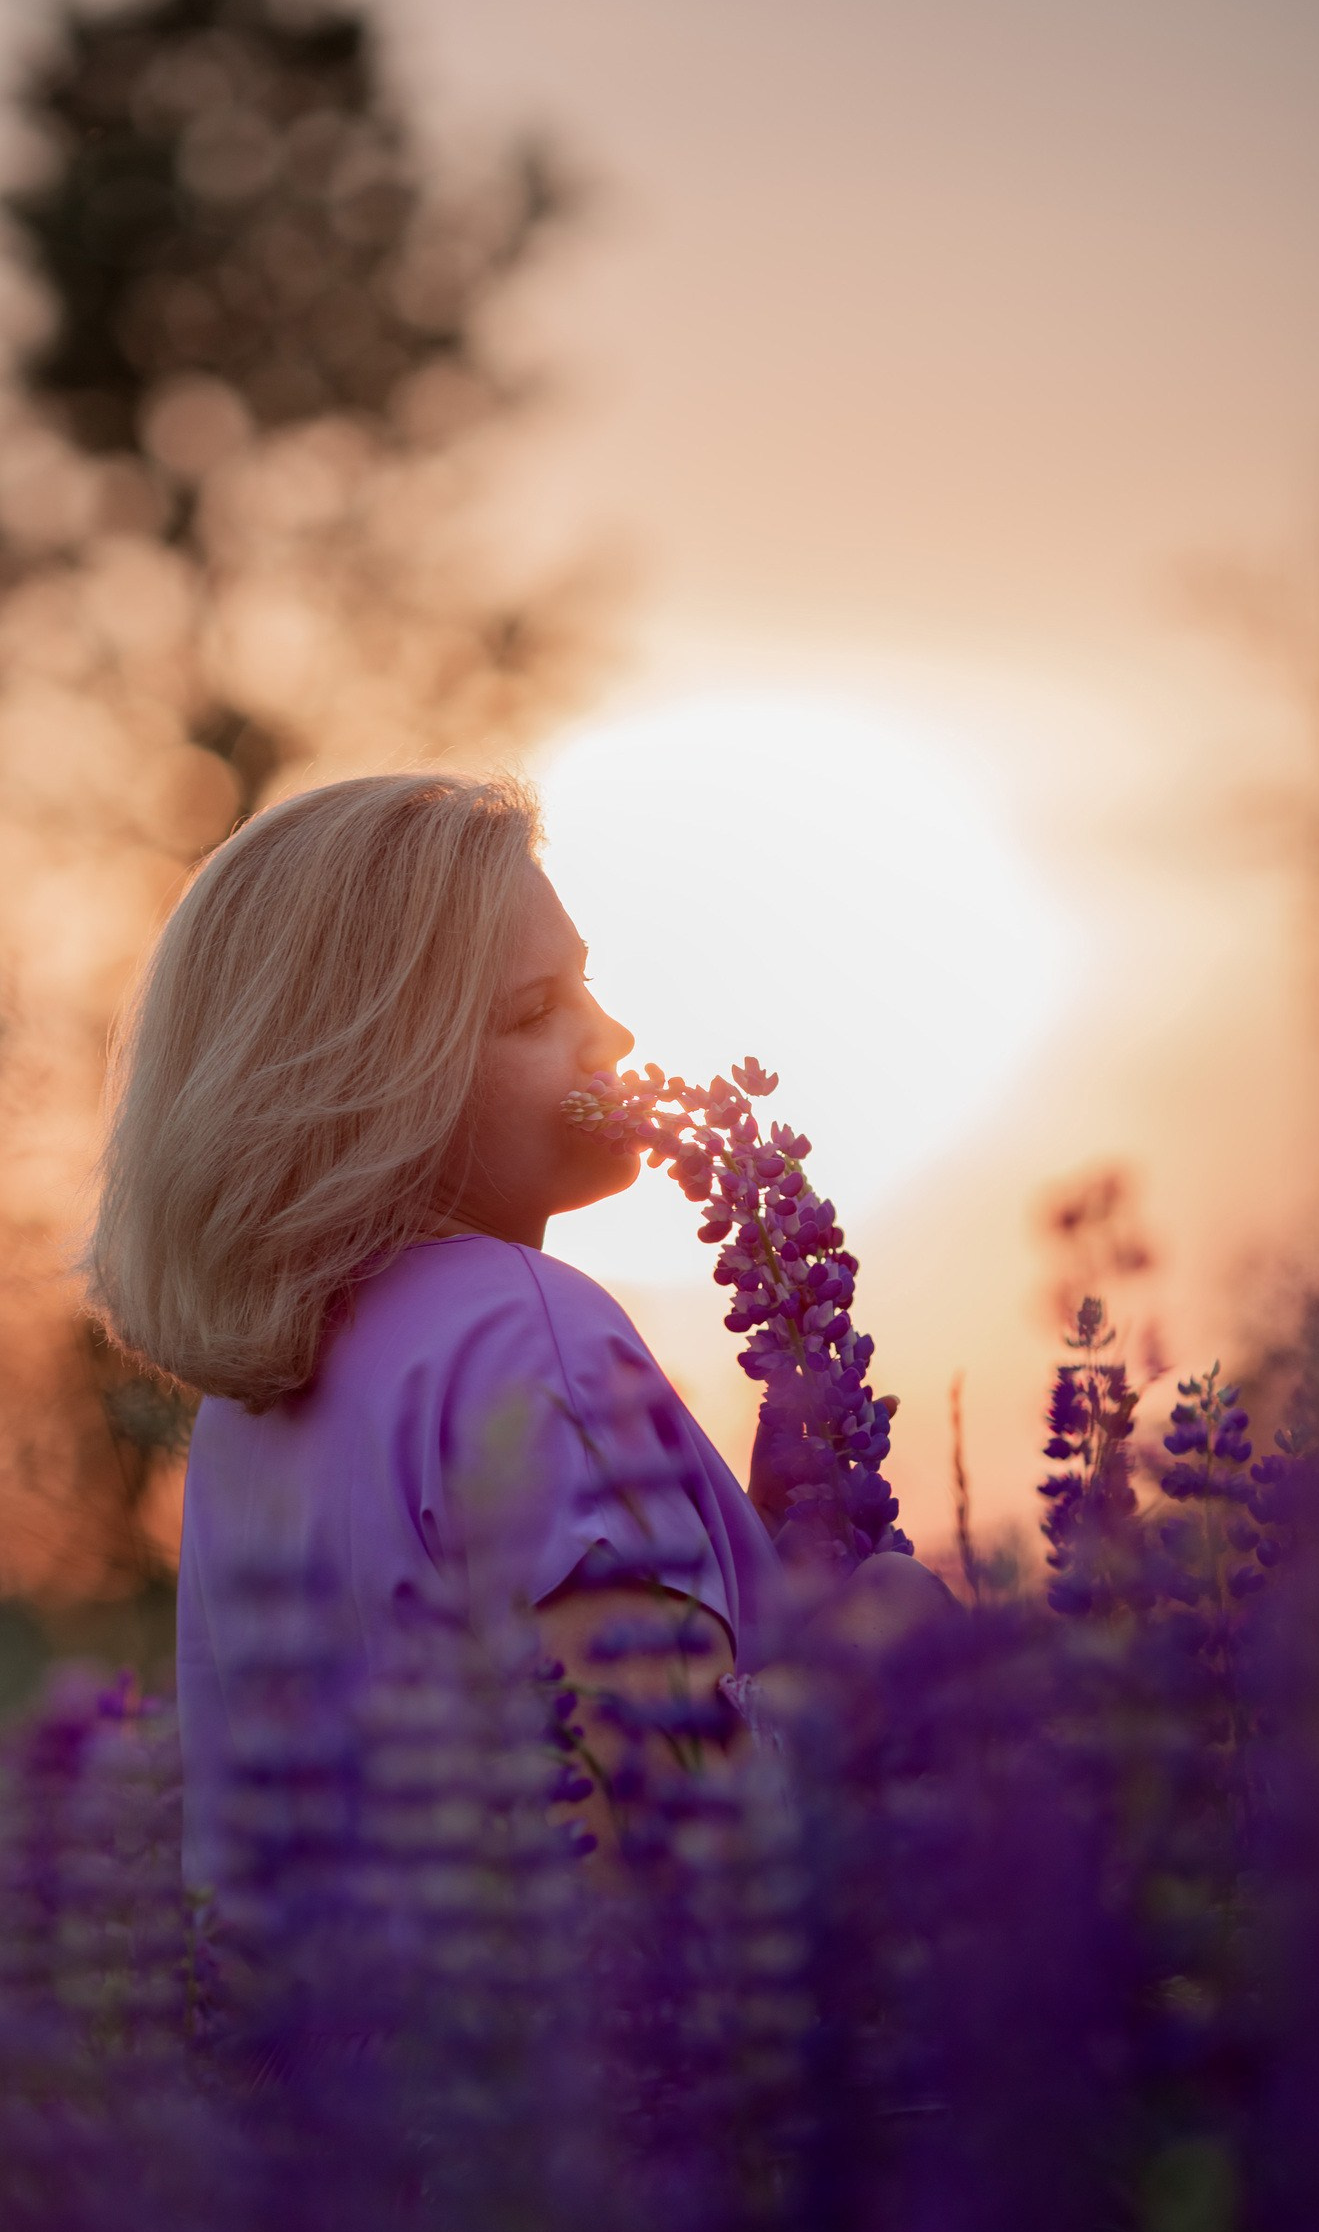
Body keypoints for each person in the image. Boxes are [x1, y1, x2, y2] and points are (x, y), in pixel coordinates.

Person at [87, 771, 933, 1886]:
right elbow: (649, 1855)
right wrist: (877, 1673)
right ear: (365, 1076)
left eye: (587, 986)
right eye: (536, 1013)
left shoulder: (252, 1403)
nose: (612, 1037)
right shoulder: (528, 1328)